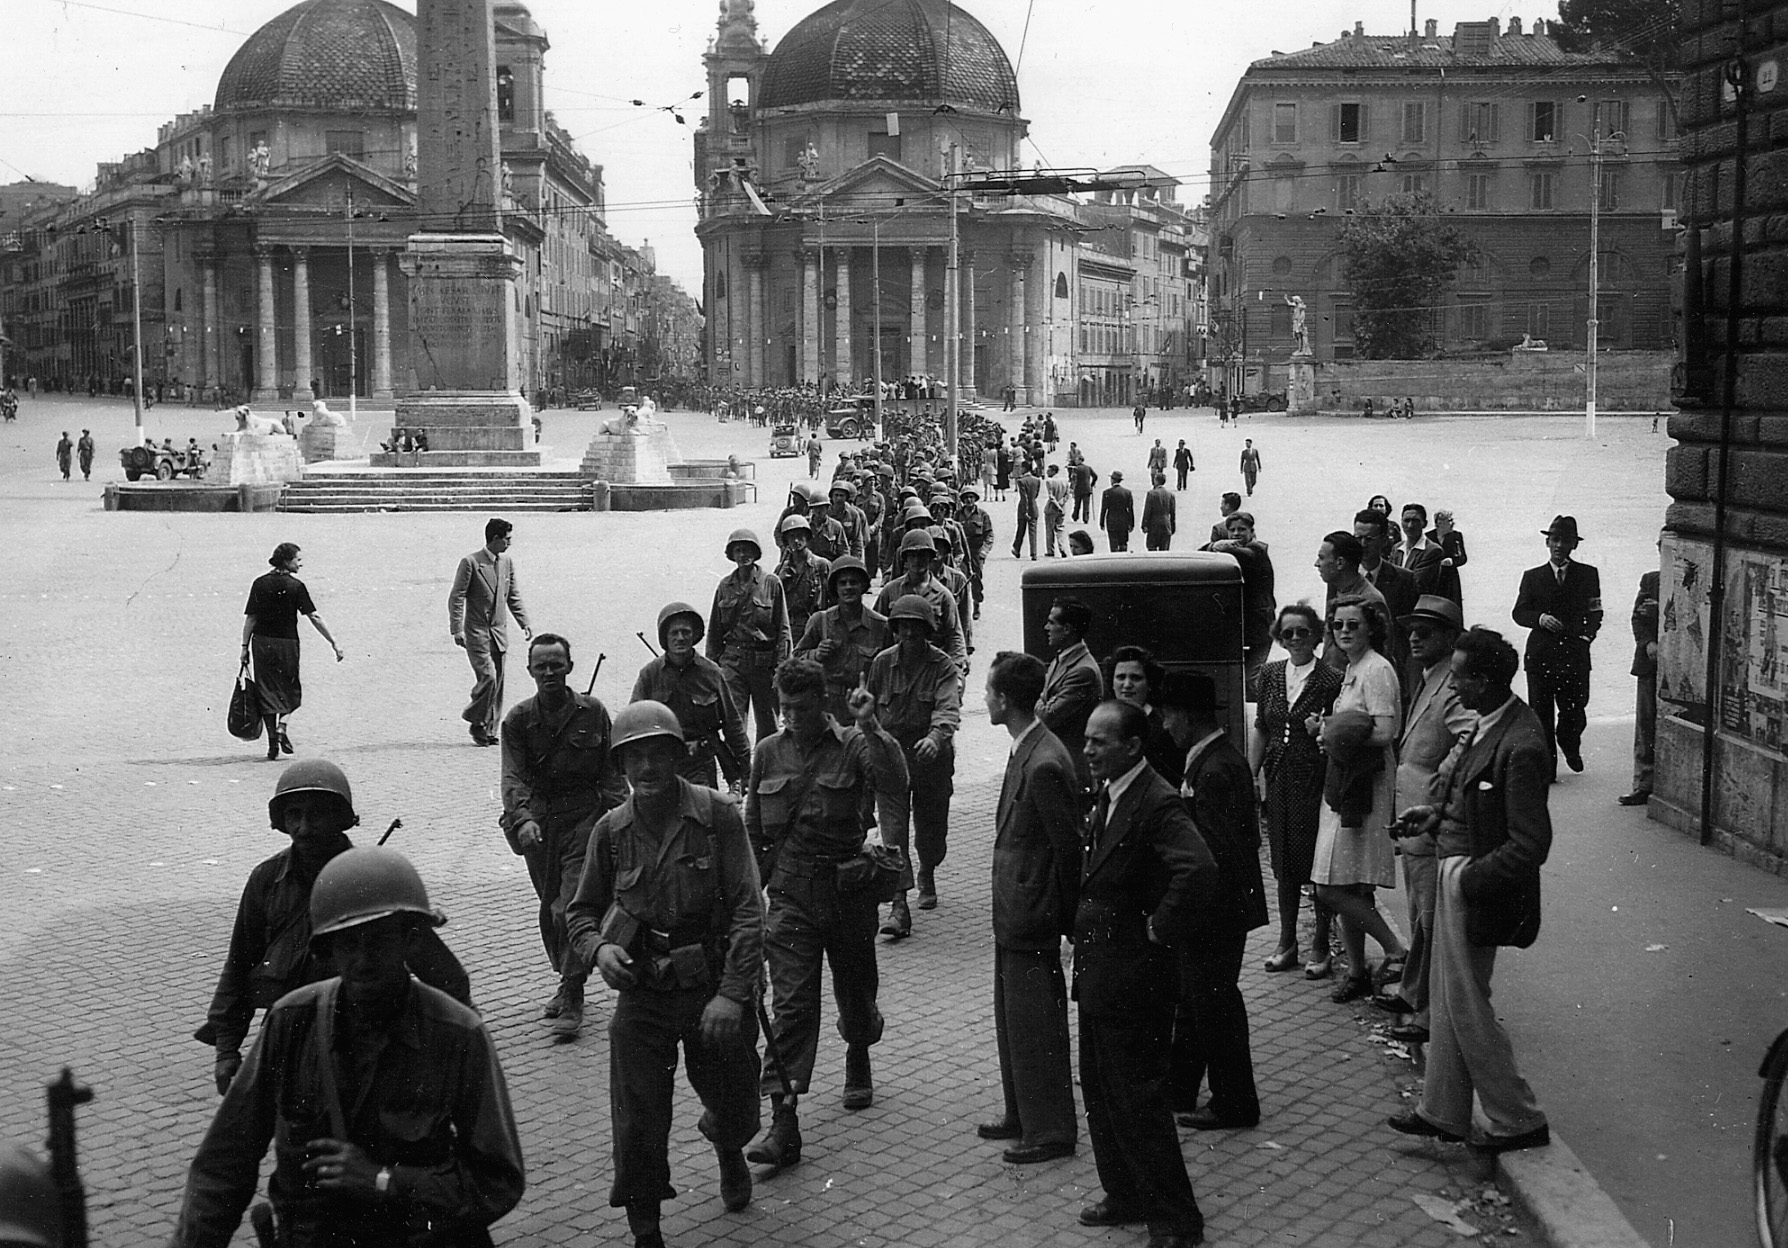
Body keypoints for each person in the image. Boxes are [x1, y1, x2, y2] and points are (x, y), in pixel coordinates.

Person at [168, 847, 526, 1248]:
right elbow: (224, 1162)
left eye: (377, 942)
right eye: (347, 944)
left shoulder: (457, 1033)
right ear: (328, 950)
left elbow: (499, 1180)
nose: (361, 959)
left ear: (410, 941)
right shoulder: (291, 1022)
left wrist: (383, 1180)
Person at [564, 702, 766, 1248]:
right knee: (637, 1119)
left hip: (711, 987)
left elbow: (750, 911)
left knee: (738, 1106)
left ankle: (728, 1146)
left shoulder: (718, 815)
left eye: (657, 754)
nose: (646, 768)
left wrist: (732, 995)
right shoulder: (609, 832)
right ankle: (645, 1225)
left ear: (678, 756)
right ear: (621, 767)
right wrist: (599, 950)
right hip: (644, 993)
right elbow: (580, 912)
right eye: (634, 758)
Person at [195, 761, 471, 1097]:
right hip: (290, 1040)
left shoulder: (374, 879)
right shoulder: (266, 881)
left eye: (317, 815)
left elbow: (443, 974)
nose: (304, 828)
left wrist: (460, 1041)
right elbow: (239, 963)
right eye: (294, 815)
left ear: (339, 818)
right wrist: (226, 1050)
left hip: (364, 1043)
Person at [1388, 627, 1552, 1155]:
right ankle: (1444, 1112)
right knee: (1448, 996)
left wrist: (1467, 881)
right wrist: (1433, 815)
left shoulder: (1522, 743)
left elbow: (1530, 844)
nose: (1452, 686)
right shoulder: (1489, 723)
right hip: (1454, 868)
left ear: (1486, 681)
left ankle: (1517, 1116)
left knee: (1466, 1004)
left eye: (1460, 677)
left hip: (1472, 882)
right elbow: (1468, 800)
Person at [744, 659, 910, 1167]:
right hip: (792, 893)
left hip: (847, 891)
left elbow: (895, 782)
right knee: (791, 1007)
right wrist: (750, 896)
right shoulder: (768, 752)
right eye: (784, 707)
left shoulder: (855, 744)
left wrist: (872, 726)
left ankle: (858, 1049)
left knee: (856, 991)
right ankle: (784, 1121)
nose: (791, 715)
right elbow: (753, 826)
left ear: (822, 703)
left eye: (801, 706)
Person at [1073, 700, 1215, 1248]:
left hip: (1134, 978)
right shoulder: (1112, 792)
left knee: (1138, 1098)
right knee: (1102, 1090)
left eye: (1099, 742)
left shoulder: (1156, 801)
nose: (1087, 750)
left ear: (1132, 746)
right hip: (1101, 972)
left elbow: (1198, 868)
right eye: (1086, 739)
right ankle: (1125, 1193)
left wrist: (1160, 925)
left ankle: (1177, 1220)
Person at [978, 651, 1083, 1163]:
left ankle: (1051, 1130)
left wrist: (1067, 924)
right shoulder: (1029, 747)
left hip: (1033, 912)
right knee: (1014, 1019)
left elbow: (1068, 850)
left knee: (1036, 1022)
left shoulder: (1042, 762)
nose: (985, 698)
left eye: (989, 691)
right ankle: (1022, 1112)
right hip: (1016, 910)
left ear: (1003, 699)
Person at [500, 634, 628, 1039]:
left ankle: (573, 991)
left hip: (585, 820)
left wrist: (618, 817)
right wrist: (522, 820)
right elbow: (512, 775)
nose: (550, 672)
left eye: (557, 664)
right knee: (549, 905)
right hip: (540, 825)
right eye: (542, 666)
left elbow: (611, 770)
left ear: (570, 667)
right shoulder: (518, 720)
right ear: (530, 671)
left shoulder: (593, 713)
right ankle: (566, 978)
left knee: (571, 903)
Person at [1159, 672, 1267, 1131]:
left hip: (1216, 912)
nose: (1164, 725)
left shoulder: (1215, 770)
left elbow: (1214, 853)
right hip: (1219, 909)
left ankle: (1235, 1103)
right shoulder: (1212, 759)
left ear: (1187, 716)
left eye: (1168, 715)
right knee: (1197, 1000)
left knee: (1215, 1004)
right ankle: (1180, 1087)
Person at [1373, 596, 1473, 1045]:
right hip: (1417, 824)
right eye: (1411, 629)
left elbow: (1470, 736)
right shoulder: (1430, 677)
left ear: (1450, 639)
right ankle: (1415, 994)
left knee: (1431, 918)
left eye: (1426, 631)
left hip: (1429, 822)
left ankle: (1430, 1014)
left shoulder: (1451, 685)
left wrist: (1438, 784)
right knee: (1419, 912)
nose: (1414, 637)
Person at [1309, 597, 1408, 999]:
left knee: (1329, 886)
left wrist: (1331, 731)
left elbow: (1386, 731)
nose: (1344, 631)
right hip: (1346, 780)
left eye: (1353, 624)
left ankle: (1396, 949)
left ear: (1371, 628)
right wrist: (1329, 731)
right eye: (1337, 625)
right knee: (1350, 885)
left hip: (1365, 785)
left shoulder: (1378, 669)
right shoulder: (1353, 669)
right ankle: (1357, 971)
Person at [1250, 604, 1342, 973]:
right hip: (1278, 777)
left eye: (1302, 632)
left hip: (1314, 777)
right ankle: (1287, 942)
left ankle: (1321, 943)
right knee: (1284, 862)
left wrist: (1321, 730)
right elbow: (1261, 727)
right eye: (1287, 633)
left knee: (1318, 863)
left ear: (1317, 635)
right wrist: (1250, 774)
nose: (1295, 640)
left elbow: (1338, 730)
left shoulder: (1331, 678)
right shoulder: (1270, 675)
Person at [864, 595, 962, 934]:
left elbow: (948, 708)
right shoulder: (881, 663)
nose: (908, 635)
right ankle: (899, 906)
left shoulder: (942, 665)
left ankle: (928, 870)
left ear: (927, 631)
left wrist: (936, 738)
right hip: (891, 759)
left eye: (915, 629)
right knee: (893, 835)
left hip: (929, 759)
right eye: (902, 628)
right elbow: (869, 707)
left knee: (932, 832)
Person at [1512, 516, 1603, 778]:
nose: (1559, 545)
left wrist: (1587, 638)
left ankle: (1569, 743)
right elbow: (1519, 612)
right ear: (1547, 542)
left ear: (1574, 544)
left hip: (1575, 655)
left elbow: (1595, 612)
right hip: (1540, 656)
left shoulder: (1588, 574)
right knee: (1540, 715)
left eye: (1565, 541)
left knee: (1575, 711)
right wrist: (1539, 618)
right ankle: (1546, 768)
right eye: (1554, 540)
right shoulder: (1532, 577)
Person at [631, 602, 751, 792]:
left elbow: (733, 725)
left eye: (686, 632)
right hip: (662, 764)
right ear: (665, 637)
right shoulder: (650, 675)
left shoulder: (712, 673)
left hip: (700, 765)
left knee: (701, 815)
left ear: (694, 635)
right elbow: (634, 723)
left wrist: (745, 773)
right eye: (674, 633)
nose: (680, 638)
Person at [243, 543, 344, 760]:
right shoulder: (296, 586)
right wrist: (333, 641)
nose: (301, 563)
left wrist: (244, 647)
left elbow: (251, 618)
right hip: (286, 644)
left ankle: (272, 743)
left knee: (266, 692)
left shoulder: (259, 584)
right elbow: (314, 617)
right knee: (290, 690)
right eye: (298, 559)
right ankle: (282, 727)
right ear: (287, 561)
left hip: (261, 643)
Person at [448, 518, 531, 748]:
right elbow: (457, 597)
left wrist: (524, 622)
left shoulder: (507, 563)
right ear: (494, 539)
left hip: (499, 632)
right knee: (488, 678)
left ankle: (490, 729)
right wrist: (456, 628)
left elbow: (512, 595)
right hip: (476, 632)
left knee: (499, 682)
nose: (510, 543)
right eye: (507, 539)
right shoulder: (471, 563)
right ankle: (476, 721)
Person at [708, 528, 791, 741]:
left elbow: (783, 629)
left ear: (756, 553)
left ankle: (767, 771)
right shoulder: (725, 586)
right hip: (732, 662)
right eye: (738, 550)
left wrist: (782, 667)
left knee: (768, 725)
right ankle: (741, 772)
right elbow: (715, 632)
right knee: (733, 723)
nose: (743, 555)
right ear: (732, 554)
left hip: (763, 663)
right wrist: (711, 670)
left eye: (748, 550)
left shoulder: (771, 583)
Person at [872, 530, 968, 674]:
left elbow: (955, 635)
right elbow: (875, 628)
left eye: (922, 555)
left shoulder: (943, 596)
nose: (917, 560)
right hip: (897, 668)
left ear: (930, 558)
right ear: (905, 559)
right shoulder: (890, 591)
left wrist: (956, 670)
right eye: (912, 555)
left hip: (933, 668)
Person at [1205, 511, 1276, 699]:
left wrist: (1216, 546)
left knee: (1251, 680)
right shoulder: (1233, 551)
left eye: (1242, 530)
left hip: (1261, 628)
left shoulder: (1257, 550)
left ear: (1252, 532)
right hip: (1243, 628)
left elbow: (1245, 555)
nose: (1236, 534)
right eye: (1232, 530)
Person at [1038, 596, 1104, 795]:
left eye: (1051, 622)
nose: (1046, 628)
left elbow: (1046, 717)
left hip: (1072, 772)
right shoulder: (1064, 659)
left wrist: (1035, 693)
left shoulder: (1082, 671)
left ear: (1067, 629)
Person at [1352, 508, 1419, 678]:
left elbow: (1408, 630)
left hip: (1388, 668)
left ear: (1383, 540)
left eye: (1369, 539)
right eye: (1357, 538)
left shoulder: (1404, 579)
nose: (1362, 545)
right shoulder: (1343, 578)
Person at [1109, 645, 1182, 787]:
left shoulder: (1161, 730)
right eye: (1121, 677)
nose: (1127, 684)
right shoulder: (1108, 722)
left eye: (1135, 678)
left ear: (1149, 684)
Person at [1313, 531, 1387, 671]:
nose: (1317, 564)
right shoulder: (1335, 589)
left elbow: (1381, 654)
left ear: (1340, 563)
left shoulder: (1370, 599)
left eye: (1321, 558)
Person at [1621, 570, 1661, 806]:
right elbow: (1637, 617)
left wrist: (1658, 613)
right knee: (1645, 722)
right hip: (1650, 662)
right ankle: (1644, 783)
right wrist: (1647, 643)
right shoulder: (1650, 580)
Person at [774, 515, 831, 646]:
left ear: (807, 538)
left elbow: (833, 599)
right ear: (786, 541)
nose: (796, 541)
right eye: (792, 537)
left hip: (815, 625)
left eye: (800, 536)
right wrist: (779, 580)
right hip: (790, 627)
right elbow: (772, 601)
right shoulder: (781, 569)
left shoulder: (821, 565)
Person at [1395, 503, 1453, 601]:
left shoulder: (1432, 550)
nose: (1410, 525)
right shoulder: (1397, 548)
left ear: (1424, 524)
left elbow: (1418, 585)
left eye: (1415, 521)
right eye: (1406, 520)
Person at [957, 484, 994, 617]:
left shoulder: (982, 515)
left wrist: (984, 551)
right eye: (966, 497)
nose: (969, 500)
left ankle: (976, 604)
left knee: (976, 577)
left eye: (971, 497)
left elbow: (989, 535)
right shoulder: (958, 515)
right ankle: (962, 607)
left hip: (976, 551)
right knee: (960, 578)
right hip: (961, 552)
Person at [1011, 459, 1041, 560]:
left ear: (1024, 468)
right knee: (1033, 532)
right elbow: (1035, 495)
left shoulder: (1021, 481)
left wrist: (1025, 511)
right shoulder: (1037, 480)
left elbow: (1024, 497)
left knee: (1021, 530)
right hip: (1034, 507)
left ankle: (1017, 549)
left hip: (1023, 509)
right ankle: (1034, 553)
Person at [1140, 471, 1176, 551]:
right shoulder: (1170, 494)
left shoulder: (1151, 493)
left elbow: (1147, 511)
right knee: (1164, 551)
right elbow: (1173, 513)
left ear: (1156, 480)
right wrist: (1172, 527)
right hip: (1166, 525)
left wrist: (1144, 525)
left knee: (1151, 549)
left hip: (1154, 525)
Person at [1100, 470, 1135, 553]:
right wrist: (1131, 523)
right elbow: (1130, 509)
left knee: (1113, 544)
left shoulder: (1107, 492)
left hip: (1111, 521)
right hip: (1124, 521)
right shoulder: (1127, 492)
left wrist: (1101, 522)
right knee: (1123, 543)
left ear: (1112, 480)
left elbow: (1104, 509)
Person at [1043, 464, 1069, 557]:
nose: (1047, 472)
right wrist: (1062, 504)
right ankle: (1062, 548)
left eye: (1049, 470)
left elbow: (1051, 496)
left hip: (1051, 509)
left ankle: (1050, 550)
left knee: (1049, 531)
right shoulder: (1064, 481)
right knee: (1060, 529)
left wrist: (1057, 506)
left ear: (1053, 471)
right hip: (1062, 509)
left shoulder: (1049, 481)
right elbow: (1067, 495)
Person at [1069, 457, 1098, 524]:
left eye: (1076, 460)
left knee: (1077, 504)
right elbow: (1095, 476)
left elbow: (1073, 479)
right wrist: (1092, 484)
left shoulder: (1076, 469)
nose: (1075, 461)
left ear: (1080, 460)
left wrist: (1071, 488)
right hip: (1087, 489)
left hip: (1078, 488)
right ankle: (1086, 518)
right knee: (1086, 505)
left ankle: (1075, 517)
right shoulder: (1088, 468)